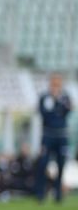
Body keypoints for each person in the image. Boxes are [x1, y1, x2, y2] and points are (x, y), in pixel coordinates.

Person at [35, 73, 71, 203]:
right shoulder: (45, 97)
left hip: (61, 136)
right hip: (48, 135)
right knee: (43, 163)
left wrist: (58, 103)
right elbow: (45, 114)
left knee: (61, 164)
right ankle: (41, 193)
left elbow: (67, 111)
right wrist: (56, 105)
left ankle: (58, 193)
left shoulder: (65, 97)